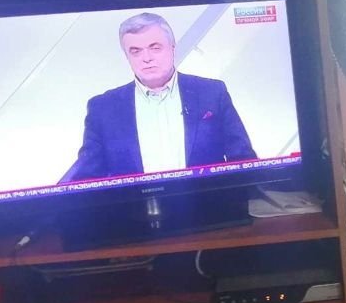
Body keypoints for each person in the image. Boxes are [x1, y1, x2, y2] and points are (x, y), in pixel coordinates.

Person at [59, 13, 257, 183]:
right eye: (135, 51)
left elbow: (244, 161)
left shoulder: (212, 92)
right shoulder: (103, 108)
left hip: (210, 209)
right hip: (134, 214)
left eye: (155, 47)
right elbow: (86, 179)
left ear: (172, 48)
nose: (146, 58)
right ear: (127, 56)